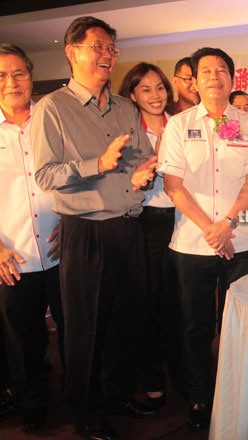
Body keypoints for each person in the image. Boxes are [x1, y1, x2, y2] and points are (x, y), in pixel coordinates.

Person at [31, 16, 159, 440]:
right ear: (73, 52)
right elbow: (46, 176)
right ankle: (86, 412)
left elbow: (140, 161)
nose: (107, 55)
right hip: (86, 232)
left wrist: (144, 174)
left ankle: (119, 395)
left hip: (128, 227)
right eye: (99, 47)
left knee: (128, 320)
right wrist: (98, 165)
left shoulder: (125, 108)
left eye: (111, 49)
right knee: (86, 328)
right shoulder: (52, 108)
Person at [158, 46, 248, 431]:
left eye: (222, 70)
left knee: (239, 322)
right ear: (194, 80)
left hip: (241, 240)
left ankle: (238, 394)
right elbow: (173, 184)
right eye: (206, 71)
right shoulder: (178, 124)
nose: (214, 77)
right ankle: (202, 396)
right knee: (195, 325)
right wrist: (211, 228)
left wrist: (228, 222)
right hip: (192, 241)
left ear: (233, 79)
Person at [0, 43, 64, 433]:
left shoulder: (52, 118)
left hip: (63, 249)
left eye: (18, 73)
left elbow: (77, 173)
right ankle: (32, 402)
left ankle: (80, 396)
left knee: (74, 330)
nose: (11, 82)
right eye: (2, 75)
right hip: (14, 256)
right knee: (21, 340)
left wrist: (73, 220)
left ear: (32, 73)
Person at [118, 62, 187, 408]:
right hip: (143, 223)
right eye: (145, 89)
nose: (156, 95)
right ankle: (151, 377)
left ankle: (183, 374)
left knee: (179, 304)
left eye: (160, 87)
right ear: (132, 95)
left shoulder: (182, 125)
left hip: (182, 220)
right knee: (146, 304)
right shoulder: (124, 131)